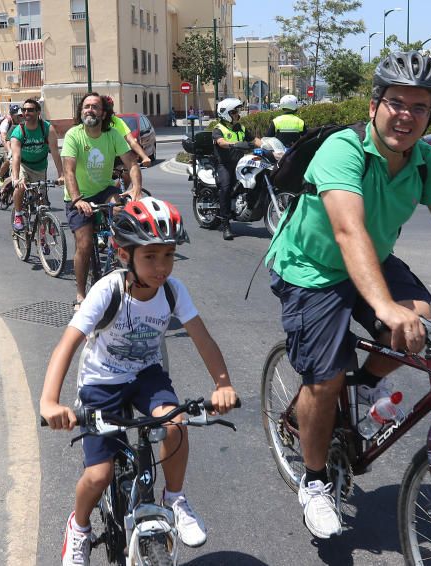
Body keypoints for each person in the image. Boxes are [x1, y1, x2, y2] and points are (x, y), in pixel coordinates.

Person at [264, 51, 431, 540]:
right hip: (311, 266)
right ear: (375, 106)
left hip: (373, 257)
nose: (406, 114)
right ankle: (316, 479)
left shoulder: (427, 160)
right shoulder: (342, 149)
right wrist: (384, 306)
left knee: (419, 323)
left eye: (420, 106)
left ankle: (365, 383)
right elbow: (348, 231)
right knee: (324, 381)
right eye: (396, 102)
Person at [39, 197, 238, 566]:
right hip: (101, 382)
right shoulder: (107, 291)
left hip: (146, 375)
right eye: (150, 256)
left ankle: (175, 499)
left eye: (168, 255)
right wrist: (50, 402)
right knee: (99, 475)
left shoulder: (173, 290)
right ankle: (78, 528)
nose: (162, 266)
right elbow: (66, 346)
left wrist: (222, 383)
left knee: (175, 423)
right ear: (124, 254)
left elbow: (203, 338)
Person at [61, 92, 143, 311]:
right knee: (85, 244)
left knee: (121, 210)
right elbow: (68, 171)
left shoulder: (113, 134)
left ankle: (118, 252)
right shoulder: (73, 135)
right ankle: (80, 294)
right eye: (86, 106)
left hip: (104, 190)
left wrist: (136, 189)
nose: (90, 110)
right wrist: (77, 199)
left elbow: (131, 163)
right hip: (79, 196)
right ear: (81, 112)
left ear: (103, 113)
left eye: (95, 107)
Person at [9, 98, 63, 231]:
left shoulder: (47, 129)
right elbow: (16, 157)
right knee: (20, 187)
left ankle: (44, 225)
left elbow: (55, 152)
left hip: (40, 166)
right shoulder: (18, 131)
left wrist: (61, 175)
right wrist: (16, 179)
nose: (26, 112)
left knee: (42, 200)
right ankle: (18, 214)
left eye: (31, 110)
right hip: (24, 165)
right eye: (24, 110)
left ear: (38, 112)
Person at [211, 97, 261, 241]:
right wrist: (233, 144)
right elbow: (221, 142)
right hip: (224, 164)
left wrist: (267, 146)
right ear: (226, 113)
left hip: (240, 164)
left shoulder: (240, 128)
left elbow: (254, 140)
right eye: (234, 112)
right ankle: (226, 224)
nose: (237, 114)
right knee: (226, 188)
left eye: (237, 111)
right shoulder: (218, 129)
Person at [0, 104, 22, 188]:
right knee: (7, 158)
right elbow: (4, 138)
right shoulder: (6, 122)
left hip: (15, 143)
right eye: (17, 115)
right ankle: (0, 177)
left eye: (20, 115)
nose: (19, 117)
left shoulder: (22, 122)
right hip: (2, 144)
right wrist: (10, 151)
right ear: (12, 116)